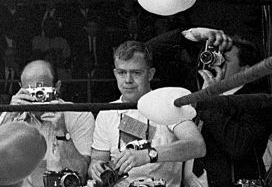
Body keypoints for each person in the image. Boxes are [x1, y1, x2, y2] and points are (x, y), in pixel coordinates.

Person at [147, 26, 272, 185]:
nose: (215, 63)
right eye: (215, 55)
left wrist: (209, 101)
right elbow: (147, 53)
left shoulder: (258, 100)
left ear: (246, 70)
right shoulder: (196, 85)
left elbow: (239, 147)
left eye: (224, 59)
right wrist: (193, 34)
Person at [89, 41, 206, 187]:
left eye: (136, 73)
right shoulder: (107, 113)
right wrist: (96, 168)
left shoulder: (167, 104)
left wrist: (147, 155)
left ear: (150, 74)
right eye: (122, 72)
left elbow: (197, 145)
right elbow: (97, 159)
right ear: (115, 73)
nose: (128, 80)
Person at [0, 60, 94, 187]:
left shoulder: (79, 115)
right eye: (30, 90)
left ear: (57, 87)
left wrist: (61, 132)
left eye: (41, 90)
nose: (37, 97)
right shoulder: (11, 116)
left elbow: (80, 174)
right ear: (20, 87)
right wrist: (10, 115)